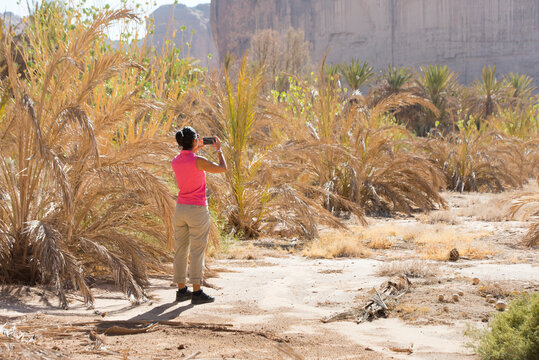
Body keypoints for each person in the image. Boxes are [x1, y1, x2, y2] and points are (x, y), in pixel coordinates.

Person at [172, 126, 227, 304]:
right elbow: (222, 168)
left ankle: (181, 290)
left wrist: (194, 147)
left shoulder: (176, 161)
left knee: (181, 250)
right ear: (195, 141)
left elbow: (187, 157)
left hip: (180, 209)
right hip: (197, 210)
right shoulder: (199, 161)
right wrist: (218, 149)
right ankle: (196, 292)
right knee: (197, 251)